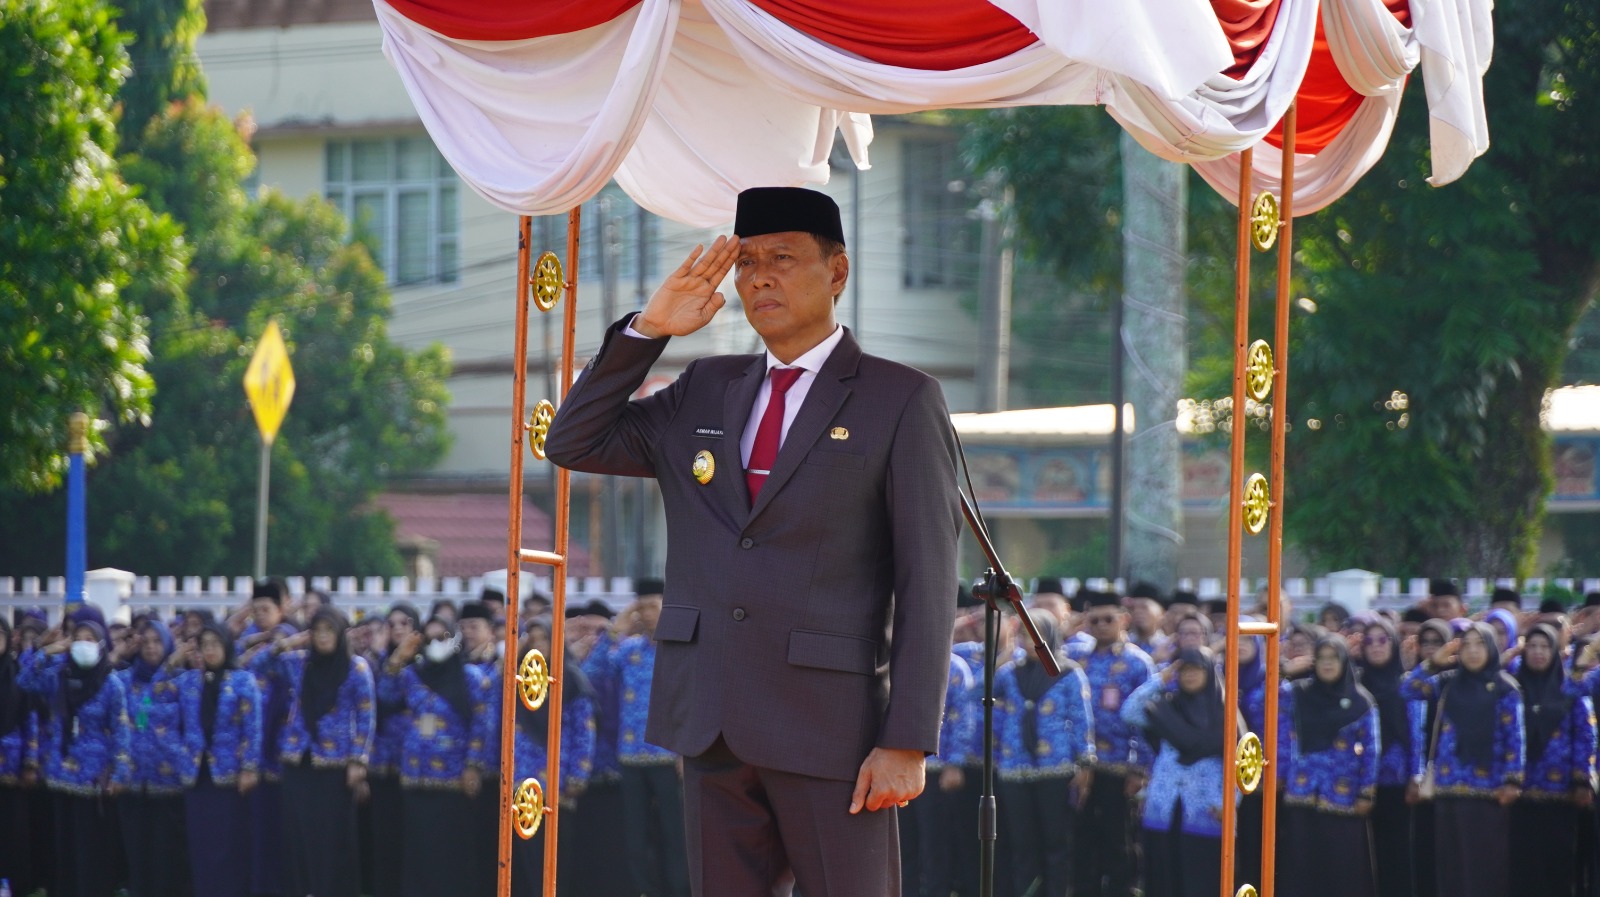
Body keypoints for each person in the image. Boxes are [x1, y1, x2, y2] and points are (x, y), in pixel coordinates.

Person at [545, 185, 961, 897]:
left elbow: (929, 578)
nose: (759, 277)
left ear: (837, 272)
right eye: (747, 263)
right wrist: (650, 329)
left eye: (782, 258)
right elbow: (573, 439)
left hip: (833, 729)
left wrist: (906, 737)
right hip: (712, 719)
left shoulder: (899, 398)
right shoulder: (706, 386)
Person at [252, 607, 375, 897]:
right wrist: (286, 643)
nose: (322, 637)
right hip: (298, 760)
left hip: (335, 764)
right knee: (297, 833)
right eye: (317, 631)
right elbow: (257, 664)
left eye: (328, 630)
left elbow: (366, 715)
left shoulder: (355, 668)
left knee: (331, 836)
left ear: (340, 634)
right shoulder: (300, 663)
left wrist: (359, 759)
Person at [1401, 622, 1525, 897]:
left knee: (1484, 868)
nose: (1472, 651)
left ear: (1492, 647)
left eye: (1479, 644)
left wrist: (1513, 780)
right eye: (1466, 644)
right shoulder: (1448, 683)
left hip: (1488, 792)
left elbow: (1514, 737)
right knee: (1451, 867)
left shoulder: (1505, 688)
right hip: (1448, 789)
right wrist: (1434, 661)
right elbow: (1409, 689)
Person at [380, 616, 495, 897]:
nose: (436, 645)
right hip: (416, 775)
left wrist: (473, 765)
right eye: (429, 639)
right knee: (420, 848)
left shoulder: (470, 678)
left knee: (451, 848)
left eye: (442, 637)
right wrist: (398, 658)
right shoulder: (413, 674)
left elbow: (483, 725)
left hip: (453, 778)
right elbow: (385, 695)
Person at [19, 618, 132, 897]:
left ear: (102, 644)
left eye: (90, 639)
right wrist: (46, 651)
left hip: (92, 779)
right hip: (59, 775)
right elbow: (25, 680)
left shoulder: (110, 683)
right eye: (78, 638)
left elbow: (121, 729)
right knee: (63, 847)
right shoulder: (58, 676)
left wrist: (120, 773)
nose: (83, 644)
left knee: (89, 848)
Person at [992, 610, 1093, 897]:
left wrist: (1085, 765)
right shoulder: (1009, 673)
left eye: (1034, 633)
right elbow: (977, 695)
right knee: (1021, 845)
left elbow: (1082, 720)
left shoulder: (1069, 672)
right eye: (1023, 633)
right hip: (1014, 766)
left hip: (1056, 768)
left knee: (1056, 844)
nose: (1028, 640)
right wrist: (1005, 654)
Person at [1066, 590, 1155, 897]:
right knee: (1082, 837)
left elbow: (1147, 719)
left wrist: (1140, 769)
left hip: (1120, 765)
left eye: (1108, 619)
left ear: (1124, 620)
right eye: (1093, 619)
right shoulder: (1075, 657)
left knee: (1118, 840)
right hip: (1079, 765)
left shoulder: (1138, 663)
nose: (1101, 625)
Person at [1123, 647, 1232, 897]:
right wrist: (1160, 678)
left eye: (1196, 669)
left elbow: (1239, 759)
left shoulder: (1225, 712)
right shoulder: (1166, 707)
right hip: (1165, 804)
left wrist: (1228, 801)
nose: (1189, 675)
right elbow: (1130, 711)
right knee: (1163, 875)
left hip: (1207, 807)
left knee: (1201, 877)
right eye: (1183, 670)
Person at [1277, 635, 1380, 897]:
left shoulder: (1361, 701)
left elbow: (1371, 749)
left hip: (1343, 797)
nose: (1327, 665)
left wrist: (1366, 791)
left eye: (1333, 658)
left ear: (1345, 661)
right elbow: (1269, 701)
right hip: (1302, 792)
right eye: (1321, 658)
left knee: (1341, 869)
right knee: (1300, 866)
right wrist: (1285, 670)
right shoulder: (1297, 693)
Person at [510, 620, 597, 897]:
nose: (537, 645)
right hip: (524, 780)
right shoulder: (522, 681)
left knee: (556, 859)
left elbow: (584, 730)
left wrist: (578, 775)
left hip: (558, 782)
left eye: (543, 639)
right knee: (526, 855)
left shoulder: (570, 678)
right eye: (531, 639)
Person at [176, 622, 262, 897]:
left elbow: (253, 727)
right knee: (201, 841)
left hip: (229, 773)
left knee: (228, 842)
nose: (210, 651)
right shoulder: (189, 681)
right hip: (197, 773)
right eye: (205, 645)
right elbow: (153, 697)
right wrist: (173, 660)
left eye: (215, 644)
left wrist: (249, 766)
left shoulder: (242, 680)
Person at [1512, 623, 1594, 897]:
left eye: (1545, 647)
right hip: (1518, 797)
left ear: (1555, 651)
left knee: (1558, 867)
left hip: (1561, 795)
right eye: (1532, 647)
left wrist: (1582, 779)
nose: (1538, 653)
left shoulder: (1570, 690)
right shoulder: (1513, 690)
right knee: (1522, 867)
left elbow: (1585, 735)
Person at [116, 619, 192, 897]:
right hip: (133, 783)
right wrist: (117, 654)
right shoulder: (125, 680)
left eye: (157, 641)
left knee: (168, 855)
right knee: (138, 853)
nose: (150, 648)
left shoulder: (181, 681)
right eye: (145, 642)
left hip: (169, 782)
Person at [1353, 617, 1423, 897]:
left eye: (1383, 640)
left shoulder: (1407, 683)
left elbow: (1416, 732)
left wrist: (1415, 776)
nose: (1376, 647)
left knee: (1397, 854)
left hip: (1399, 783)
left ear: (1394, 644)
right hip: (1360, 783)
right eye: (1369, 641)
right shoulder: (1356, 685)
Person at [368, 604, 419, 897]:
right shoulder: (378, 663)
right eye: (392, 624)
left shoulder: (428, 663)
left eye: (404, 622)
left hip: (415, 767)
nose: (398, 629)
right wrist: (393, 661)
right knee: (383, 838)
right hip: (382, 766)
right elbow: (382, 699)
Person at [0, 617, 40, 896]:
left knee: (12, 831)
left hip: (12, 768)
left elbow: (31, 720)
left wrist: (30, 761)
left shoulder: (18, 675)